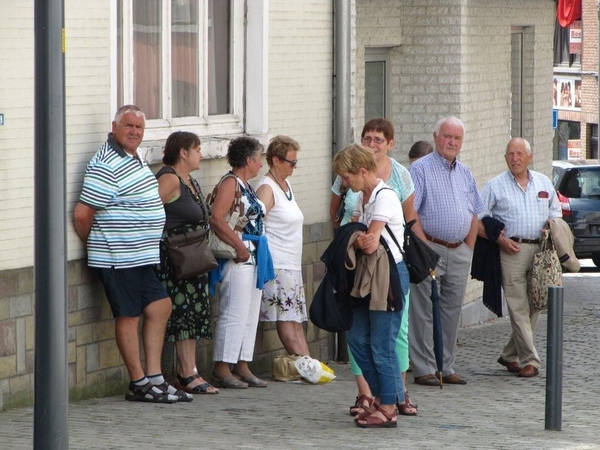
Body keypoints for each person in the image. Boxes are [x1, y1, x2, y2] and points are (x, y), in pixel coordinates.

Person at [73, 105, 188, 403]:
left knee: (161, 306)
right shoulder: (105, 163)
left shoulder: (132, 157)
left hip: (139, 256)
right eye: (129, 125)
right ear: (114, 127)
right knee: (128, 315)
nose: (134, 131)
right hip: (117, 256)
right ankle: (139, 383)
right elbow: (83, 214)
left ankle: (155, 378)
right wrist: (98, 244)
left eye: (139, 127)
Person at [329, 118, 419, 417]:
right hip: (365, 276)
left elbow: (368, 242)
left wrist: (353, 239)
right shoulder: (362, 197)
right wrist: (355, 238)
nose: (345, 183)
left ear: (362, 171)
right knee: (357, 339)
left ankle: (389, 406)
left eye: (347, 177)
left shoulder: (385, 196)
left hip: (388, 276)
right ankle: (382, 396)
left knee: (383, 343)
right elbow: (357, 234)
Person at [409, 116, 485, 387]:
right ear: (436, 137)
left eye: (457, 138)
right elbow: (411, 211)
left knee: (452, 311)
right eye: (447, 136)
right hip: (430, 247)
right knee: (424, 310)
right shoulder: (420, 169)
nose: (452, 142)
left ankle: (446, 366)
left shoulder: (465, 172)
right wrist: (424, 248)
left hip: (459, 251)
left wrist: (468, 247)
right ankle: (424, 368)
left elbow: (475, 212)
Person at [478, 138, 561, 378]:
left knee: (536, 305)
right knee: (518, 306)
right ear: (505, 158)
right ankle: (530, 360)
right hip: (510, 250)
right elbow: (480, 216)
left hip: (541, 251)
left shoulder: (544, 182)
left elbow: (555, 212)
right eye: (510, 154)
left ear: (529, 156)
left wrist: (551, 225)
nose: (515, 158)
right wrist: (498, 238)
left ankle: (509, 355)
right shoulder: (495, 186)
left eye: (519, 154)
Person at [154, 131, 219, 394]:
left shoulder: (189, 179)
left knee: (193, 313)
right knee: (181, 314)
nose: (201, 154)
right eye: (197, 149)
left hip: (194, 258)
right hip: (175, 260)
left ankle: (191, 369)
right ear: (183, 152)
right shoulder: (169, 179)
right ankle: (185, 372)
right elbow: (151, 213)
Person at [210, 137, 271, 389]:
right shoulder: (231, 183)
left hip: (253, 254)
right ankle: (222, 367)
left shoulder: (246, 185)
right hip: (239, 254)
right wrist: (237, 247)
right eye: (259, 159)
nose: (260, 164)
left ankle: (242, 363)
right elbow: (216, 217)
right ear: (249, 160)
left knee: (249, 313)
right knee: (233, 311)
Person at [256, 136, 310, 356]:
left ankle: (308, 362)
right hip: (278, 264)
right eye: (291, 162)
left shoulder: (286, 185)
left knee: (296, 318)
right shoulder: (267, 188)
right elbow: (257, 223)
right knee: (286, 317)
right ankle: (304, 363)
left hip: (292, 263)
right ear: (276, 160)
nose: (294, 167)